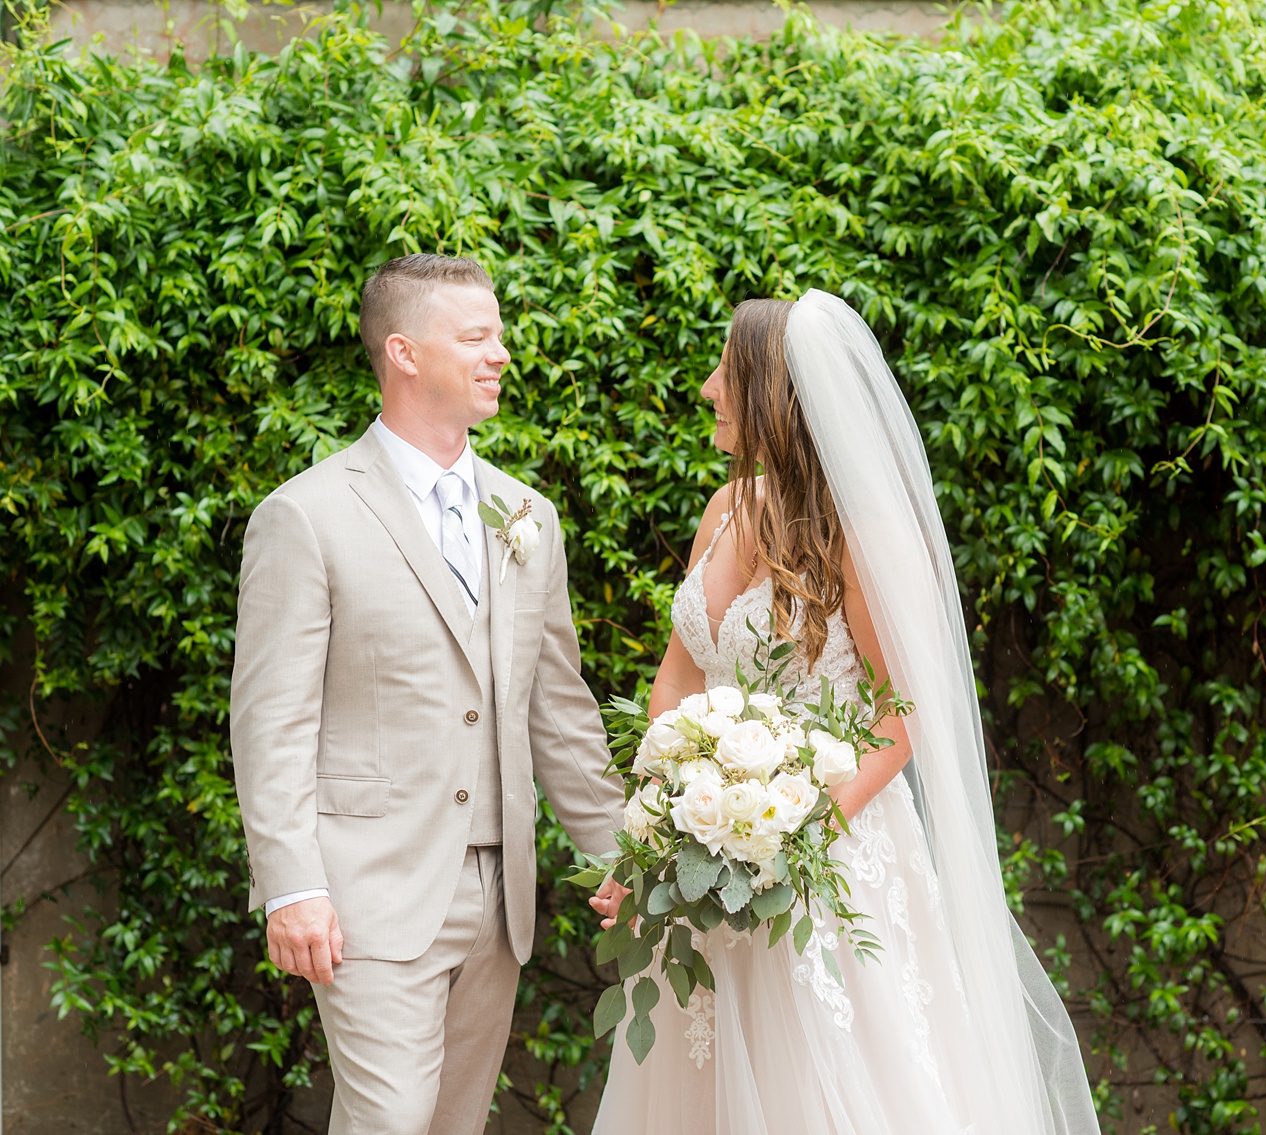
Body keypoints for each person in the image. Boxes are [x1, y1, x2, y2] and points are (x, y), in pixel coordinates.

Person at [589, 291, 1100, 1135]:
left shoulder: (864, 536)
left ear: (773, 393)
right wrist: (657, 833)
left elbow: (903, 717)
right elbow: (678, 682)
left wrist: (791, 834)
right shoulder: (725, 509)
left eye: (727, 369)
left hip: (832, 852)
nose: (711, 386)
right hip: (710, 850)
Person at [231, 253, 626, 1135]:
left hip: (498, 894)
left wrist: (622, 854)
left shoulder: (527, 513)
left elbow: (556, 708)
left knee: (452, 1123)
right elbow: (272, 720)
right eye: (476, 336)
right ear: (404, 353)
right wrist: (291, 883)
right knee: (390, 1121)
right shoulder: (307, 514)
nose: (501, 354)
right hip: (368, 887)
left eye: (500, 334)